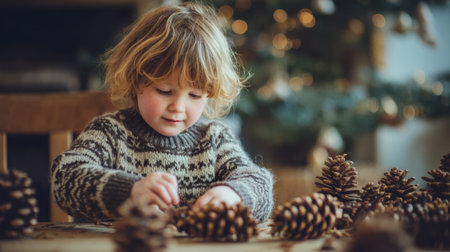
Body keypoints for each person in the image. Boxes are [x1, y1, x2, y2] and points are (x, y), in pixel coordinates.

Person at [50, 2, 273, 223]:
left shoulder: (214, 139)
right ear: (137, 80)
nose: (178, 106)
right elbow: (65, 177)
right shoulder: (110, 133)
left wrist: (232, 195)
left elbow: (259, 184)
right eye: (165, 91)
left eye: (195, 96)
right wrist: (129, 191)